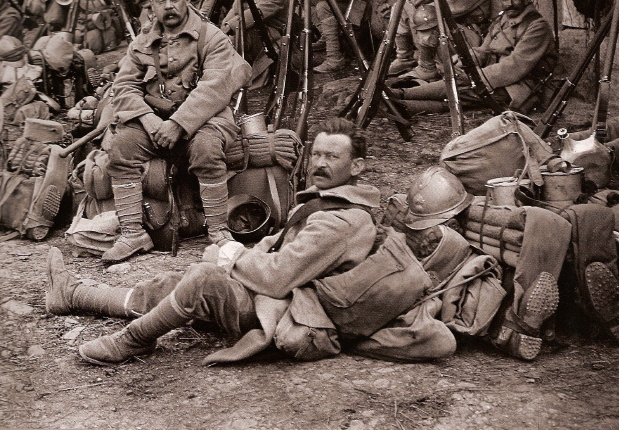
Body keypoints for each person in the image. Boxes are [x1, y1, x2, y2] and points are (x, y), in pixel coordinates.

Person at [45, 117, 379, 366]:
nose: (320, 163)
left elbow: (279, 277)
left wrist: (228, 254)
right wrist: (232, 258)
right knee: (182, 282)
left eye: (332, 157)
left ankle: (135, 340)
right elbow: (277, 245)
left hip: (288, 313)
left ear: (357, 166)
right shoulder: (326, 200)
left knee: (203, 279)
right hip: (278, 294)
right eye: (317, 154)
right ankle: (73, 295)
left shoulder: (342, 219)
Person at [100, 0, 251, 262]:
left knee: (206, 149)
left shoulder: (211, 36)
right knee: (121, 148)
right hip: (154, 120)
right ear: (152, 6)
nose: (169, 6)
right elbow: (123, 85)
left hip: (205, 117)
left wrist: (178, 124)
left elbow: (215, 87)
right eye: (161, 1)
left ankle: (219, 232)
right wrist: (147, 118)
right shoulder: (143, 41)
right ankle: (133, 234)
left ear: (187, 1)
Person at [393, 0, 557, 114]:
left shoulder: (537, 26)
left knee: (459, 93)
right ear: (499, 1)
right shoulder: (502, 21)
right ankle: (398, 100)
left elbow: (514, 67)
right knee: (457, 86)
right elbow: (484, 50)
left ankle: (401, 99)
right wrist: (465, 60)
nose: (510, 3)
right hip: (495, 78)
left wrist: (475, 77)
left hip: (520, 85)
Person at [221, 0, 287, 86]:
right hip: (254, 40)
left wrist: (229, 27)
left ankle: (237, 77)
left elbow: (255, 14)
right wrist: (223, 30)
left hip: (272, 42)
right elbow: (228, 19)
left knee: (238, 33)